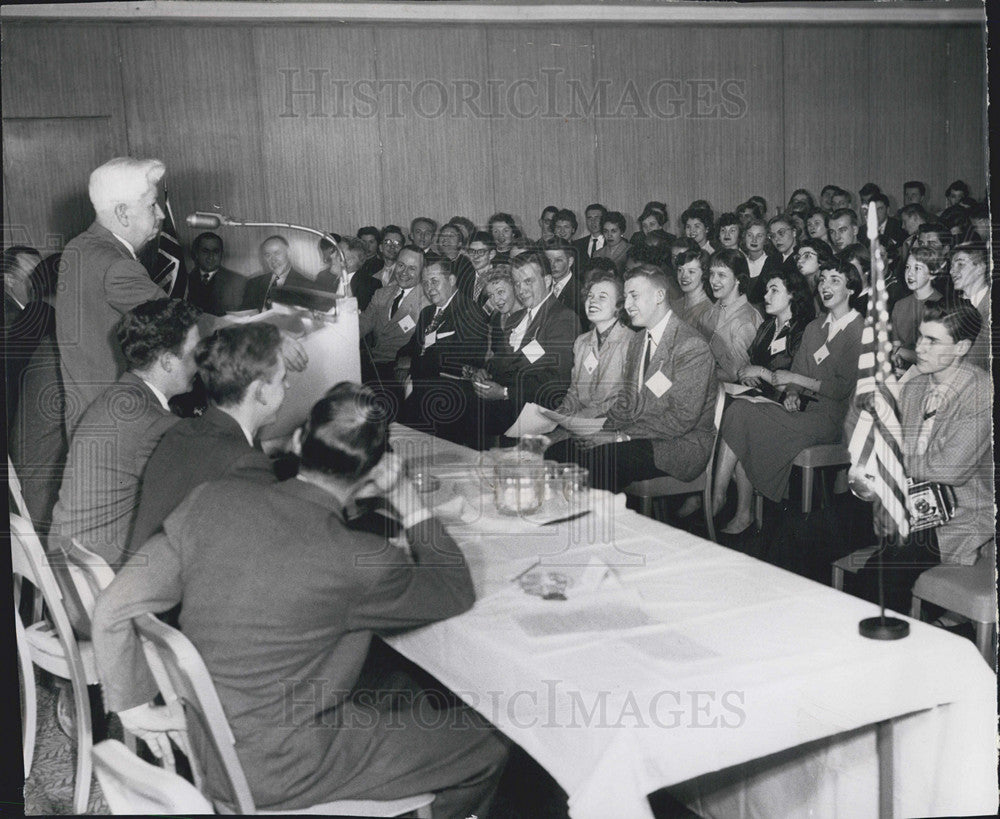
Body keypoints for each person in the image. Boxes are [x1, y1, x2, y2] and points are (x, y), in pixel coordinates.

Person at [92, 382, 510, 816]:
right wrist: (406, 497)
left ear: (296, 441)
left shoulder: (209, 501)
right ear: (374, 471)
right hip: (282, 768)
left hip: (210, 740)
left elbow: (112, 605)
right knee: (490, 743)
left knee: (403, 688)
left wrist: (132, 707)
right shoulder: (361, 559)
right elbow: (453, 589)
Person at [850, 301, 992, 614]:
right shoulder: (915, 384)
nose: (921, 349)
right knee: (822, 531)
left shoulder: (980, 390)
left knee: (878, 578)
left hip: (957, 516)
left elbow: (950, 468)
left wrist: (888, 459)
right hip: (909, 504)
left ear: (961, 348)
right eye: (920, 338)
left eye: (933, 341)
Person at [49, 298, 202, 573]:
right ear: (167, 362)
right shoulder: (155, 422)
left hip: (69, 570)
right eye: (195, 354)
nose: (201, 362)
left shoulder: (119, 396)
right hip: (100, 581)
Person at [712, 260, 864, 534]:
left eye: (835, 281)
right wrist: (793, 393)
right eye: (823, 280)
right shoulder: (816, 327)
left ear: (851, 289)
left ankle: (728, 505)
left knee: (747, 415)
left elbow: (840, 390)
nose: (825, 286)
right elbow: (798, 372)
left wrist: (795, 381)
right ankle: (719, 494)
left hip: (834, 419)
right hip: (804, 411)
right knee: (738, 410)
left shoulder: (860, 330)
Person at [545, 264, 717, 493]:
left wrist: (617, 436)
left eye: (634, 296)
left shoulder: (691, 345)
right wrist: (600, 431)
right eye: (625, 298)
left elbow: (680, 419)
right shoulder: (638, 341)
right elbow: (626, 403)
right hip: (639, 435)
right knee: (559, 452)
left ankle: (598, 526)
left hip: (678, 444)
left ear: (659, 296)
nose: (626, 305)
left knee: (601, 461)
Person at [127, 322, 289, 554]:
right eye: (283, 379)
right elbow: (271, 547)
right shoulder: (245, 464)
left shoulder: (182, 430)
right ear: (260, 392)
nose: (288, 385)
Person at [56, 157, 170, 434]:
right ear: (122, 213)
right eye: (152, 205)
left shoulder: (78, 246)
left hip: (89, 422)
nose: (162, 216)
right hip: (122, 425)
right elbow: (181, 323)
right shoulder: (116, 265)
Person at [466, 251, 579, 443]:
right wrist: (484, 373)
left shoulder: (562, 318)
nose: (521, 290)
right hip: (511, 403)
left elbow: (556, 381)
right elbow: (502, 361)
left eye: (528, 282)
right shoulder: (517, 318)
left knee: (466, 414)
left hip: (535, 409)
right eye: (517, 283)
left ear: (548, 280)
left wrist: (504, 393)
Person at [397, 256, 489, 441]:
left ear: (452, 280)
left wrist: (416, 367)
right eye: (425, 283)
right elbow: (413, 346)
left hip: (451, 397)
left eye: (434, 281)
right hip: (421, 390)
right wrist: (401, 360)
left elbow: (467, 360)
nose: (429, 288)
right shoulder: (428, 313)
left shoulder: (470, 311)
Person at [552, 269, 634, 424]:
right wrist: (558, 415)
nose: (592, 301)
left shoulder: (631, 342)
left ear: (619, 305)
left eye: (602, 297)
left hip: (611, 426)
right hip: (579, 422)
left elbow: (625, 399)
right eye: (590, 296)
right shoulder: (581, 342)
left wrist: (584, 416)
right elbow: (574, 392)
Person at [358, 245, 429, 410]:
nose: (404, 272)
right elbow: (363, 324)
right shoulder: (381, 293)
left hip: (398, 369)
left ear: (422, 272)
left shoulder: (427, 301)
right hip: (372, 364)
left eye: (412, 268)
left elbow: (423, 344)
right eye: (401, 265)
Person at [738, 267, 815, 388]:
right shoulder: (766, 326)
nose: (766, 296)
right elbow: (749, 364)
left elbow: (799, 387)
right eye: (767, 291)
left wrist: (761, 372)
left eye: (774, 291)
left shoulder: (803, 332)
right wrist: (746, 376)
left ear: (792, 294)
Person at [703, 249, 763, 383]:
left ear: (738, 279)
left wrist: (698, 369)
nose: (713, 280)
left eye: (721, 275)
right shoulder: (713, 310)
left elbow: (737, 374)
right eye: (712, 274)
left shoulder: (744, 321)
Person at [889, 245, 945, 372]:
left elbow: (935, 357)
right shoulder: (899, 305)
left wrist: (900, 352)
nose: (910, 273)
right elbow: (895, 345)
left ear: (932, 274)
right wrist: (896, 357)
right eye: (907, 267)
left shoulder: (942, 305)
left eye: (917, 268)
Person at [947, 241, 990, 370]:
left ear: (980, 268)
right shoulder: (952, 307)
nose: (951, 271)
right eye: (951, 266)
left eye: (960, 264)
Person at [184, 232, 248, 316]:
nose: (210, 257)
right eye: (205, 251)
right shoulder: (184, 280)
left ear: (222, 254)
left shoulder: (238, 282)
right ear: (196, 254)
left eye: (215, 251)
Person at [482, 265, 524, 360]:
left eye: (500, 292)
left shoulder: (530, 318)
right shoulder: (497, 318)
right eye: (491, 295)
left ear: (515, 288)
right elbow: (493, 355)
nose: (495, 300)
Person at [669, 248, 713, 336]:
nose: (684, 276)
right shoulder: (675, 305)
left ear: (704, 274)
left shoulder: (708, 313)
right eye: (680, 270)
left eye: (691, 272)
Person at [544, 235, 586, 325]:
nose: (552, 265)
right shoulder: (541, 287)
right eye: (548, 261)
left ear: (570, 262)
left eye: (558, 260)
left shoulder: (580, 292)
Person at [436, 222, 475, 298]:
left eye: (451, 236)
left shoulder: (467, 264)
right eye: (443, 235)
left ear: (459, 243)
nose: (445, 239)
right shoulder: (434, 262)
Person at [465, 230, 497, 308]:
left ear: (491, 254)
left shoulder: (499, 278)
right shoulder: (465, 278)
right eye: (472, 251)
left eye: (481, 252)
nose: (475, 256)